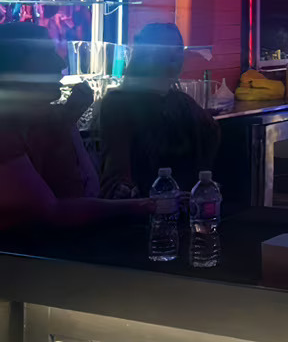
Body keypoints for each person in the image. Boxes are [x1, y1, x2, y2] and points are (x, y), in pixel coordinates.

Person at [0, 23, 148, 231]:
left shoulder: (47, 119)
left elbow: (85, 191)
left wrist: (68, 120)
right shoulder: (6, 130)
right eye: (47, 53)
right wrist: (140, 206)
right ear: (17, 66)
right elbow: (51, 212)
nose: (60, 63)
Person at [97, 23, 220, 198]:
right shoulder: (118, 103)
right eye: (165, 52)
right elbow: (117, 172)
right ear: (143, 56)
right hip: (142, 207)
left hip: (181, 204)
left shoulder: (182, 102)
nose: (173, 59)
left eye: (177, 51)